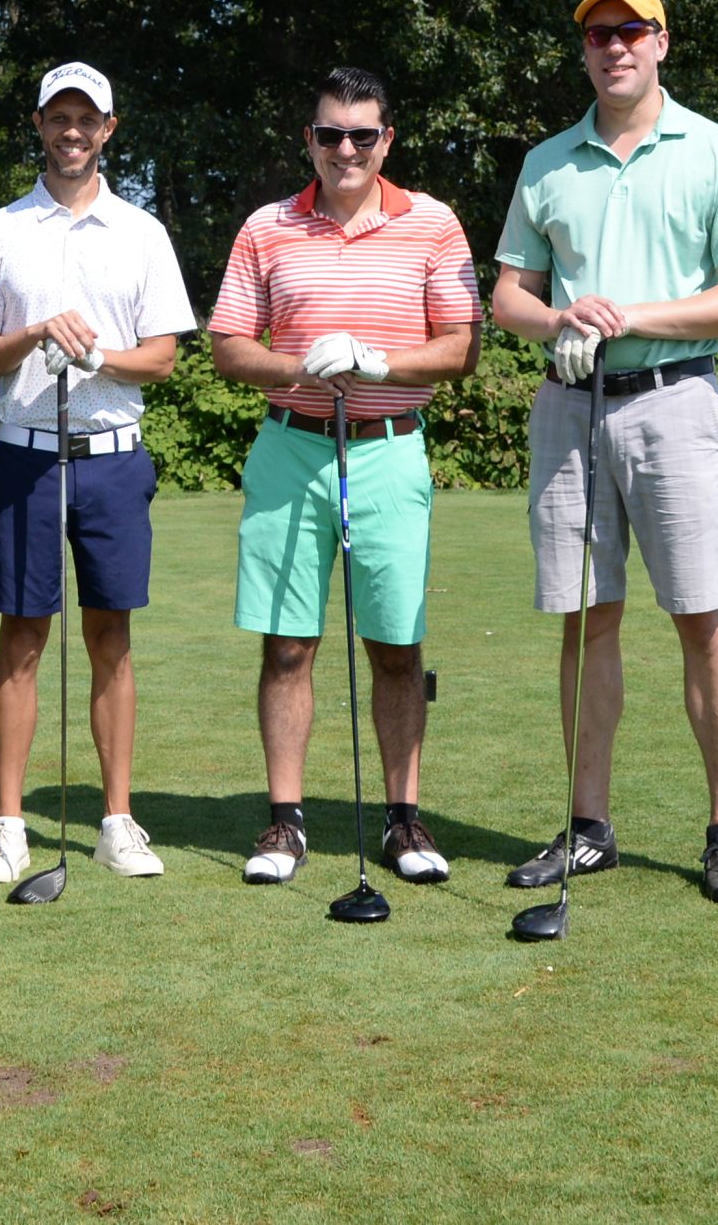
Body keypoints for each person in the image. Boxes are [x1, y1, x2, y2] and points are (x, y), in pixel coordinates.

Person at [489, 0, 718, 903]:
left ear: (661, 41)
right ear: (584, 50)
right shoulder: (548, 162)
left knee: (702, 614)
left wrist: (631, 316)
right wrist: (558, 320)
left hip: (675, 401)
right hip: (569, 405)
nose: (614, 46)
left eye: (630, 30)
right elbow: (508, 297)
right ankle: (588, 828)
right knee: (586, 618)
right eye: (597, 34)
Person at [207, 67, 482, 887]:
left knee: (396, 644)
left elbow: (461, 347)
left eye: (363, 134)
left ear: (386, 140)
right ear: (310, 140)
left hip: (388, 447)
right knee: (288, 643)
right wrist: (298, 364)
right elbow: (228, 346)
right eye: (331, 134)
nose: (347, 149)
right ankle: (285, 821)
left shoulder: (432, 222)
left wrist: (380, 363)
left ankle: (403, 818)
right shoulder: (267, 226)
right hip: (291, 446)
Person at [0, 62, 198, 886]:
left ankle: (117, 821)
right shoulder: (0, 230)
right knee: (22, 637)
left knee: (111, 639)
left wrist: (98, 355)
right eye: (58, 116)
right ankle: (9, 825)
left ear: (108, 128)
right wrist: (32, 335)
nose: (72, 130)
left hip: (113, 459)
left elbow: (162, 358)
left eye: (85, 118)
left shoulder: (142, 231)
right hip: (25, 453)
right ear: (39, 124)